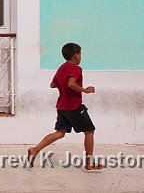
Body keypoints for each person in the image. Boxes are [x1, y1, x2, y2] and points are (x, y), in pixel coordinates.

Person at [28, 42, 102, 171]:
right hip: (74, 107)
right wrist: (85, 90)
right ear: (75, 55)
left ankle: (34, 150)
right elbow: (71, 84)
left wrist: (63, 84)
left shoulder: (61, 68)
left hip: (62, 106)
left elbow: (52, 84)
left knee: (60, 133)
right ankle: (89, 163)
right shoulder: (76, 68)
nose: (80, 56)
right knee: (89, 131)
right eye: (80, 54)